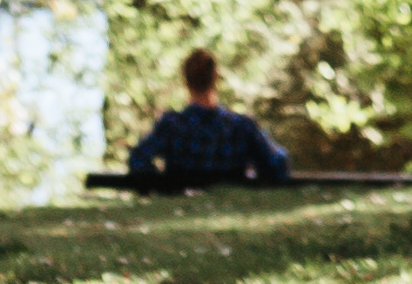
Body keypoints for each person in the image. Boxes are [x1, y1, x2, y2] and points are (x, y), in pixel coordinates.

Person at [123, 48, 292, 192]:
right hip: (230, 209)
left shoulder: (172, 125)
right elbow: (277, 163)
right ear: (216, 77)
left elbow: (137, 159)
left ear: (186, 80)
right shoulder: (241, 127)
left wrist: (163, 186)